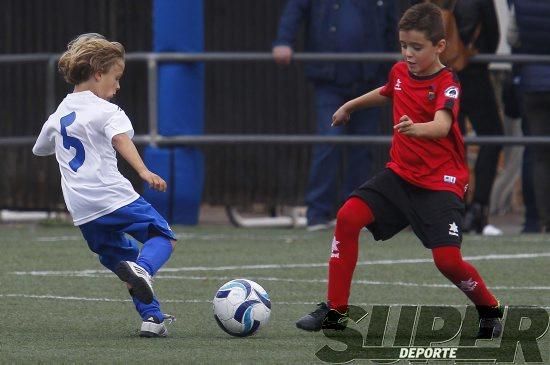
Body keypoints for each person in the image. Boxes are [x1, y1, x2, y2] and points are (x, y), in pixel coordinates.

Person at [295, 2, 503, 339]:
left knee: (447, 262)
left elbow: (441, 124)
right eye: (404, 45)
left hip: (440, 184)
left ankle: (489, 308)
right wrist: (349, 105)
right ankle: (336, 310)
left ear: (439, 46)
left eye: (416, 47)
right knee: (348, 217)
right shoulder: (400, 72)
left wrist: (414, 128)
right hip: (401, 176)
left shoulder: (448, 82)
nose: (408, 53)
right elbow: (388, 91)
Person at [32, 33, 176, 338]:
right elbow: (120, 139)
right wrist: (143, 170)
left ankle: (153, 319)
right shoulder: (108, 111)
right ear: (98, 74)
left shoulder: (58, 115)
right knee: (162, 236)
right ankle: (145, 270)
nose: (118, 86)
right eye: (116, 77)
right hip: (113, 197)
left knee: (125, 263)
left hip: (83, 210)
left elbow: (40, 149)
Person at [272, 0, 397, 231]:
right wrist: (283, 40)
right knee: (329, 142)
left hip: (368, 76)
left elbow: (393, 24)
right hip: (330, 78)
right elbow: (295, 9)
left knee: (363, 148)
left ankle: (355, 215)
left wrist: (398, 60)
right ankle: (318, 214)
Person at [451, 0, 504, 235]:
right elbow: (493, 36)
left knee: (451, 141)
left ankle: (453, 207)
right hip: (473, 72)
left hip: (438, 73)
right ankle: (478, 208)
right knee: (492, 137)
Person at [512, 0, 550, 232]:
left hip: (533, 82)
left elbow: (513, 38)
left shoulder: (522, 4)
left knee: (539, 156)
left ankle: (541, 220)